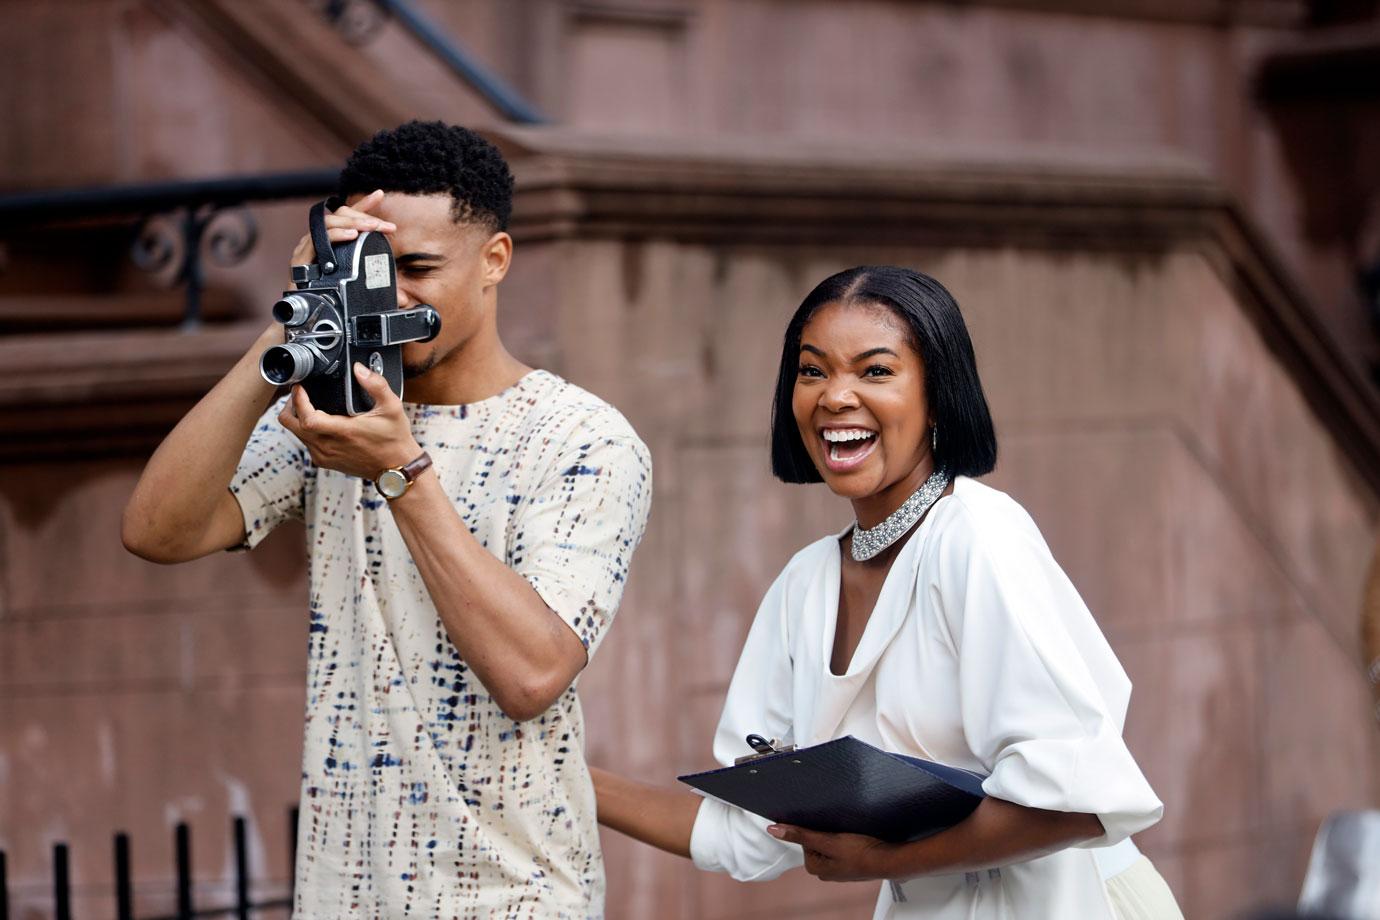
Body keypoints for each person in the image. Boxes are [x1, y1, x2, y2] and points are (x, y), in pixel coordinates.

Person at [121, 121, 652, 918]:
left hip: (511, 896)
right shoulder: (332, 416)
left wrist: (403, 473)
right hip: (342, 894)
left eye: (420, 268)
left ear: (495, 261)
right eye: (372, 271)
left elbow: (531, 676)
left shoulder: (583, 437)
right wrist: (295, 323)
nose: (393, 296)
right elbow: (157, 532)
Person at [592, 266, 1181, 919]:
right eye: (812, 371)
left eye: (875, 372)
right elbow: (748, 834)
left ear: (937, 396)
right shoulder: (804, 585)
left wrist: (885, 863)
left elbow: (1080, 800)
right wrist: (562, 779)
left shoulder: (976, 536)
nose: (835, 396)